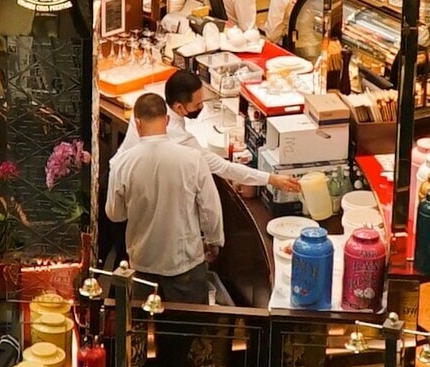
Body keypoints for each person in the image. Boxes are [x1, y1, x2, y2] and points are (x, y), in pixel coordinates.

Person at [105, 92, 224, 304]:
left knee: (145, 328)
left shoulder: (122, 164)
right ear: (167, 120)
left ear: (137, 123)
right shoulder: (192, 159)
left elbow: (115, 215)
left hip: (143, 262)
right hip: (185, 261)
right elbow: (210, 209)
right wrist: (214, 240)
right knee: (185, 328)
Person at [118, 68, 300, 193]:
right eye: (197, 105)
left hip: (120, 175)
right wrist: (271, 179)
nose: (201, 108)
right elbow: (223, 167)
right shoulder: (179, 138)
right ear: (180, 108)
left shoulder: (152, 107)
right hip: (130, 190)